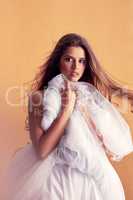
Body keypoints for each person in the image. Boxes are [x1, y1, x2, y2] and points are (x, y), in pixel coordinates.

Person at [4, 33, 133, 200]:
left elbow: (98, 147)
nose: (75, 67)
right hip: (52, 181)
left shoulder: (88, 98)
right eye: (69, 59)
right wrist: (66, 109)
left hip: (88, 181)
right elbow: (42, 151)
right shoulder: (39, 98)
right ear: (58, 61)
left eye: (81, 61)